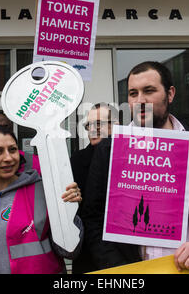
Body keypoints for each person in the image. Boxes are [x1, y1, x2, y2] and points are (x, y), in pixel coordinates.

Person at [82, 61, 189, 273]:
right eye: (133, 93)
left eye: (149, 91)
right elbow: (94, 218)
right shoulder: (110, 150)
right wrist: (120, 269)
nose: (140, 100)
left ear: (170, 94)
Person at [0, 125, 83, 274]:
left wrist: (69, 209)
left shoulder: (44, 191)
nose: (8, 158)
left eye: (12, 149)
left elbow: (70, 251)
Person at [70, 102, 119, 274]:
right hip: (89, 255)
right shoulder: (75, 162)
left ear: (116, 125)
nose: (92, 129)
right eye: (88, 125)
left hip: (126, 253)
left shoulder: (133, 157)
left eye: (98, 124)